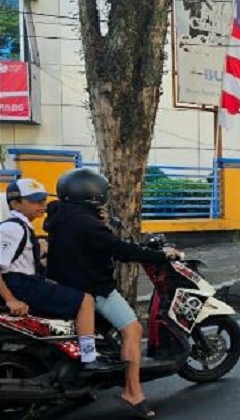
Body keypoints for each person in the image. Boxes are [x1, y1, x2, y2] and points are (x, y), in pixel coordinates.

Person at [45, 169, 181, 419]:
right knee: (132, 330)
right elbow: (120, 250)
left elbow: (91, 244)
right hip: (93, 287)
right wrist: (161, 255)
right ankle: (133, 391)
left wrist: (101, 221)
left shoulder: (60, 217)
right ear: (91, 195)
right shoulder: (88, 224)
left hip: (64, 285)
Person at [0, 179, 119, 372]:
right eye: (35, 201)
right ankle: (89, 358)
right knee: (85, 301)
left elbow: (22, 263)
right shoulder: (11, 229)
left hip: (26, 281)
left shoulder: (22, 226)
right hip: (20, 285)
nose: (42, 205)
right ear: (15, 203)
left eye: (42, 200)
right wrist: (11, 300)